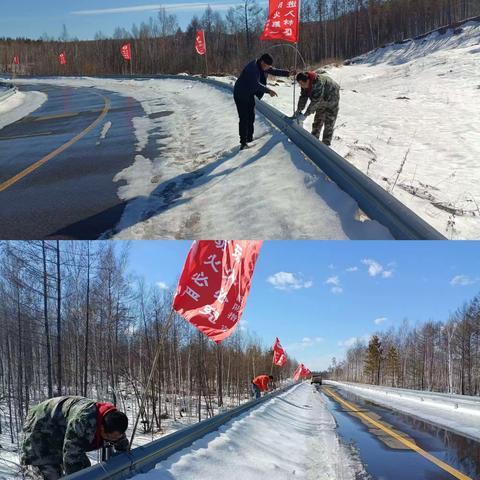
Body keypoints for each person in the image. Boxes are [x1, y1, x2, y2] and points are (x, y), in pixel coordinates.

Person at [21, 396, 129, 479]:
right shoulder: (82, 421)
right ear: (101, 428)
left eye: (117, 437)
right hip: (39, 428)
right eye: (110, 437)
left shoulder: (113, 421)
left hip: (60, 429)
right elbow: (72, 458)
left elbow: (120, 441)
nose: (113, 440)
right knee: (48, 474)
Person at [234, 53, 293, 150]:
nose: (267, 69)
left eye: (268, 66)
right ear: (262, 62)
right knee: (244, 118)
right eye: (267, 66)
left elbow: (273, 71)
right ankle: (243, 143)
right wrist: (269, 90)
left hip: (249, 94)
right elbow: (256, 85)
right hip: (240, 94)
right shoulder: (252, 69)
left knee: (251, 117)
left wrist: (287, 73)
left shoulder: (262, 65)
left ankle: (249, 139)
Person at [294, 71, 341, 146]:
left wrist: (305, 115)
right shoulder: (304, 83)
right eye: (300, 85)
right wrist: (299, 110)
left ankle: (325, 145)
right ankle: (314, 141)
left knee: (329, 122)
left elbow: (315, 102)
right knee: (318, 120)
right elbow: (303, 97)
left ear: (308, 80)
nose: (302, 86)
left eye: (303, 84)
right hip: (322, 98)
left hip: (332, 96)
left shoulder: (317, 83)